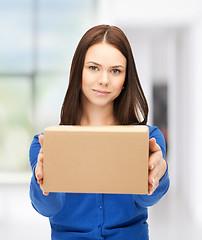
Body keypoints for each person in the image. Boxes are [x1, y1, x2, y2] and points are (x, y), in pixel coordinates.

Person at [29, 24, 170, 240]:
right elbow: (46, 208)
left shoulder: (147, 139)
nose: (104, 79)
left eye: (115, 71)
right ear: (78, 72)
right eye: (94, 68)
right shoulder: (46, 143)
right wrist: (43, 185)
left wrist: (157, 177)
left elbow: (147, 199)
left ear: (125, 78)